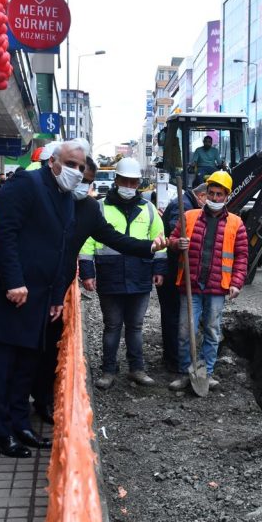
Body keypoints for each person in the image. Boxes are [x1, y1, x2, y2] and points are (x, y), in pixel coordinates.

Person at [0, 139, 166, 458]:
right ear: (53, 162)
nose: (76, 172)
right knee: (2, 364)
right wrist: (15, 281)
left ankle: (21, 424)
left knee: (25, 364)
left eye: (81, 168)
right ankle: (0, 431)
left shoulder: (73, 202)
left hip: (41, 297)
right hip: (10, 293)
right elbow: (5, 235)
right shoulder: (26, 185)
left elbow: (73, 249)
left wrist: (149, 248)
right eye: (71, 164)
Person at [80, 158, 166, 390]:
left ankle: (136, 369)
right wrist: (87, 272)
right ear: (116, 180)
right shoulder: (99, 207)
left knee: (136, 327)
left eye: (133, 181)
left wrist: (159, 268)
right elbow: (87, 242)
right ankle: (108, 370)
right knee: (112, 326)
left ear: (138, 183)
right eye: (125, 180)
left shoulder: (148, 209)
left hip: (140, 275)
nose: (129, 185)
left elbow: (160, 240)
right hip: (111, 276)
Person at [168, 171, 248, 392]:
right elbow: (172, 240)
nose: (214, 198)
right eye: (211, 193)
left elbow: (241, 256)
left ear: (226, 196)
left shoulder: (236, 223)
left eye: (219, 194)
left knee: (212, 331)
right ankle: (187, 372)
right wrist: (177, 244)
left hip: (217, 287)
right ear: (205, 194)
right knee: (186, 330)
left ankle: (207, 373)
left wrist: (236, 282)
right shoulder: (190, 217)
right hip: (191, 283)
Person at [32, 154, 97, 425]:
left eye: (89, 181)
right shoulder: (51, 198)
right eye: (80, 177)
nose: (83, 184)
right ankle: (24, 395)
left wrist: (151, 247)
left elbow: (107, 236)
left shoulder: (90, 209)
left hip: (59, 288)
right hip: (33, 284)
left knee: (50, 348)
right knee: (30, 347)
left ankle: (44, 399)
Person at [157, 183, 205, 372]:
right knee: (173, 315)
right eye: (208, 198)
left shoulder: (186, 202)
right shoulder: (183, 205)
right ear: (201, 195)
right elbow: (177, 231)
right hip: (171, 270)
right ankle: (174, 359)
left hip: (174, 268)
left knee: (174, 314)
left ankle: (173, 357)